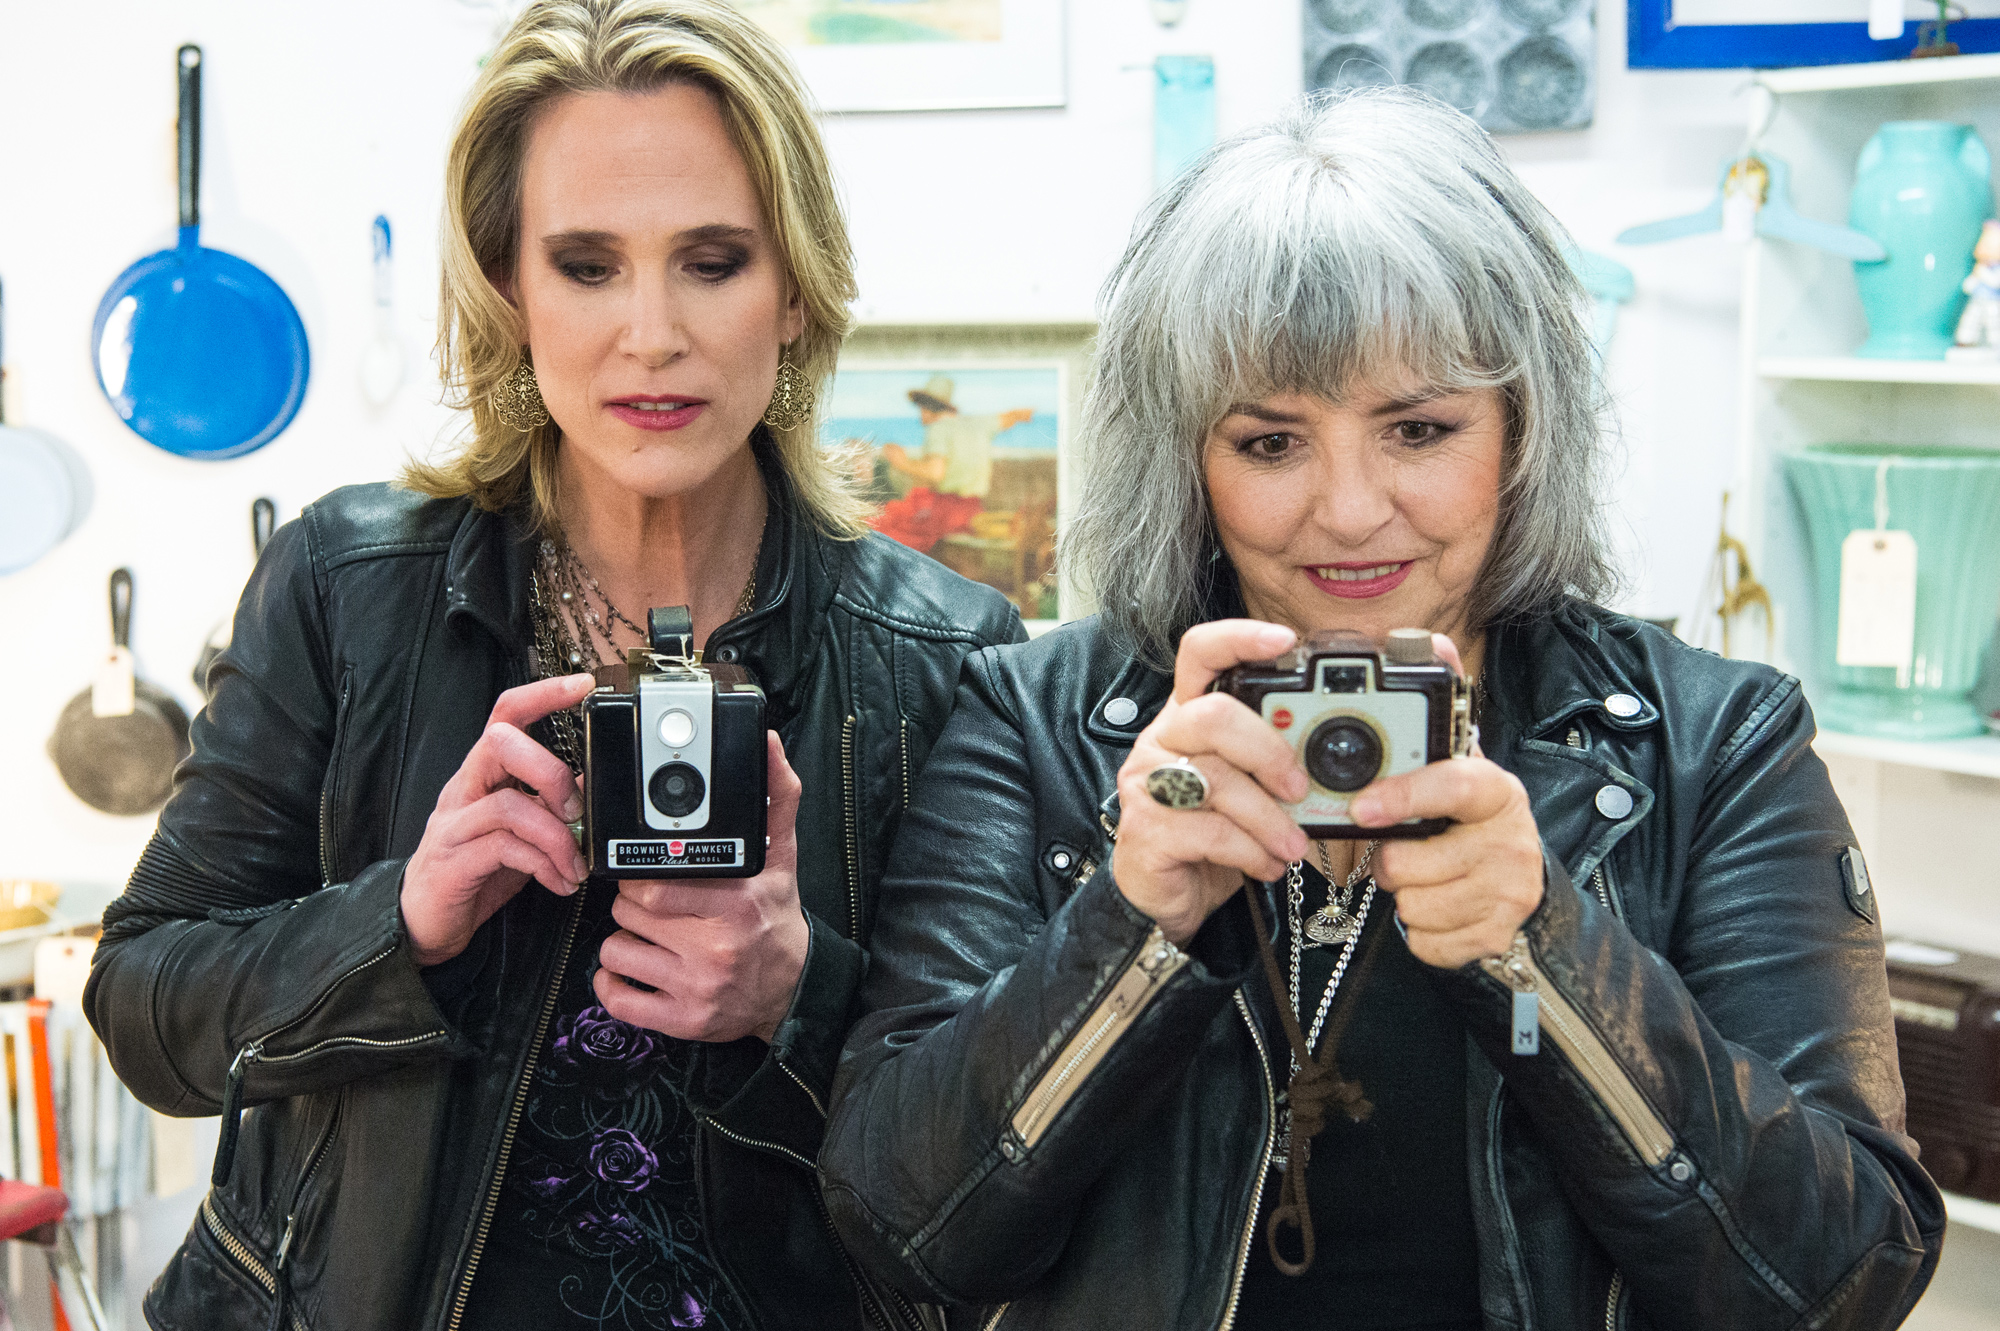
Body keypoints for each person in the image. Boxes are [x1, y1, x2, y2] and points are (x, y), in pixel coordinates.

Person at [819, 89, 1944, 1331]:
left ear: (1520, 430)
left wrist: (1541, 952)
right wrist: (1132, 928)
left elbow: (1842, 1277)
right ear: (1184, 455)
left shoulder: (1710, 744)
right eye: (1268, 442)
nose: (1349, 510)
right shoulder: (1037, 719)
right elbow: (899, 1229)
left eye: (1417, 428)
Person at [84, 4, 1019, 1329]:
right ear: (509, 288)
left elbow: (991, 1161)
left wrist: (794, 994)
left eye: (712, 259)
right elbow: (142, 1004)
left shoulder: (942, 659)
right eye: (586, 264)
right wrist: (398, 920)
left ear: (796, 287)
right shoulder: (350, 592)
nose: (651, 332)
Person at [871, 375, 1033, 553]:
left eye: (922, 407)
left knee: (882, 527)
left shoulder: (939, 428)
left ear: (930, 407)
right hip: (973, 510)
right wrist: (1024, 413)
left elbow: (935, 473)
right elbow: (1012, 417)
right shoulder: (978, 423)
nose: (921, 413)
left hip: (947, 513)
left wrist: (901, 462)